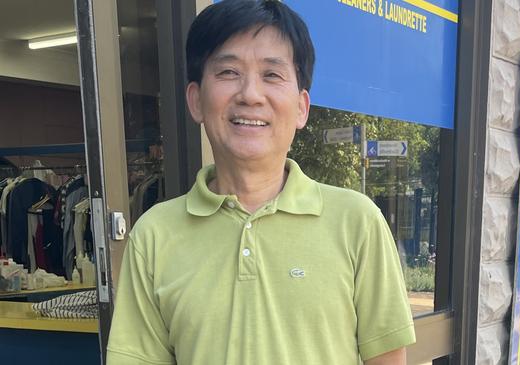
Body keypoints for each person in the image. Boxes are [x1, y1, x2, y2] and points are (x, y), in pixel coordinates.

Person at [106, 1, 415, 364]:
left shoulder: (357, 222)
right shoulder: (155, 235)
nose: (250, 94)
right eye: (228, 72)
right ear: (196, 101)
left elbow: (387, 358)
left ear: (301, 107)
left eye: (272, 75)